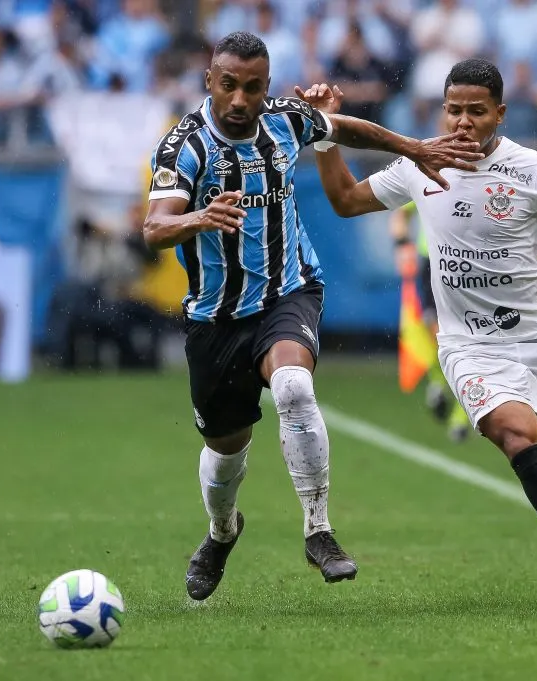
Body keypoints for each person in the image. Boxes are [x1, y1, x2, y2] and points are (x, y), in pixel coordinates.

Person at [300, 58, 537, 610]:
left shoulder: (534, 170)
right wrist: (325, 136)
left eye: (476, 111)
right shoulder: (420, 163)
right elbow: (345, 200)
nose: (462, 122)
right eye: (453, 110)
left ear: (500, 113)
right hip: (471, 345)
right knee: (518, 436)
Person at [142, 31, 482, 601]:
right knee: (226, 453)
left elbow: (340, 127)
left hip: (288, 292)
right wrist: (199, 218)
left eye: (253, 87)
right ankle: (222, 531)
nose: (240, 99)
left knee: (294, 387)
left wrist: (413, 148)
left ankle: (318, 530)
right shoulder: (184, 147)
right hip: (215, 317)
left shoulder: (283, 121)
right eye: (229, 85)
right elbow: (154, 228)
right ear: (209, 81)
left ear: (267, 87)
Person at [391, 201, 472, 442]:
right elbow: (400, 214)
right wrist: (402, 246)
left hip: (469, 265)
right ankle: (438, 380)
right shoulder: (429, 182)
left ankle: (461, 416)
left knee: (464, 338)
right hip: (433, 264)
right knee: (435, 332)